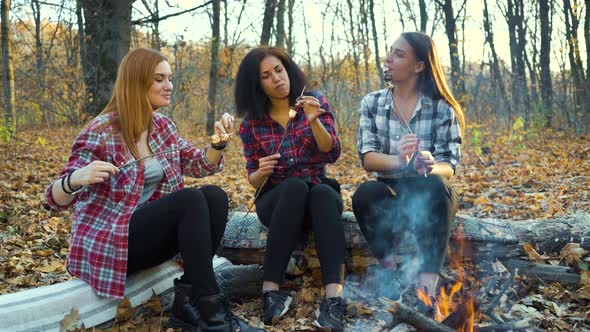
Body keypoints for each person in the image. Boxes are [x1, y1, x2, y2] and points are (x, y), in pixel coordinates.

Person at [44, 47, 253, 332]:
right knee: (191, 199)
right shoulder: (101, 130)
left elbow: (197, 164)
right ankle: (214, 317)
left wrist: (217, 145)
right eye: (159, 79)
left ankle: (187, 307)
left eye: (169, 78)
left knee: (213, 196)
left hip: (149, 236)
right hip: (112, 242)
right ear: (136, 82)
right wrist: (77, 178)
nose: (169, 86)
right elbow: (54, 198)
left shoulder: (163, 126)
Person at [352, 32, 464, 313]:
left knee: (435, 186)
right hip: (389, 191)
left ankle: (428, 286)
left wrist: (427, 164)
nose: (388, 59)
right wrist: (400, 160)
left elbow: (449, 165)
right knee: (365, 193)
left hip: (429, 193)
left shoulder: (441, 108)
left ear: (419, 66)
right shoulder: (372, 103)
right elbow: (368, 158)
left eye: (399, 54)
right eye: (390, 51)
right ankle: (390, 272)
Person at [235, 47, 346, 331]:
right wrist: (261, 171)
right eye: (266, 76)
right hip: (277, 201)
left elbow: (331, 152)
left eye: (279, 70)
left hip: (317, 195)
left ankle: (334, 299)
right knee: (295, 187)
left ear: (288, 70)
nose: (277, 79)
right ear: (256, 84)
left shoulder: (314, 101)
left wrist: (314, 122)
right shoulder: (252, 124)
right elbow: (253, 179)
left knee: (321, 192)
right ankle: (271, 292)